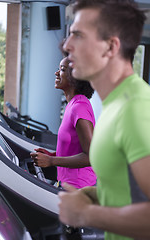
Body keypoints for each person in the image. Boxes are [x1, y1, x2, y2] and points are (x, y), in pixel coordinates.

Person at [58, 0, 150, 240]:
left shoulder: (135, 109)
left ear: (110, 47)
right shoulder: (113, 104)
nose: (67, 45)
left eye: (78, 36)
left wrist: (87, 215)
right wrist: (90, 195)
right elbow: (127, 190)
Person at [30, 56, 97, 189]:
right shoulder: (72, 105)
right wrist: (54, 155)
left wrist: (51, 161)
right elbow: (75, 149)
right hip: (67, 184)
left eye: (62, 69)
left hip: (79, 188)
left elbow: (91, 156)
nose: (56, 73)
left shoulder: (79, 107)